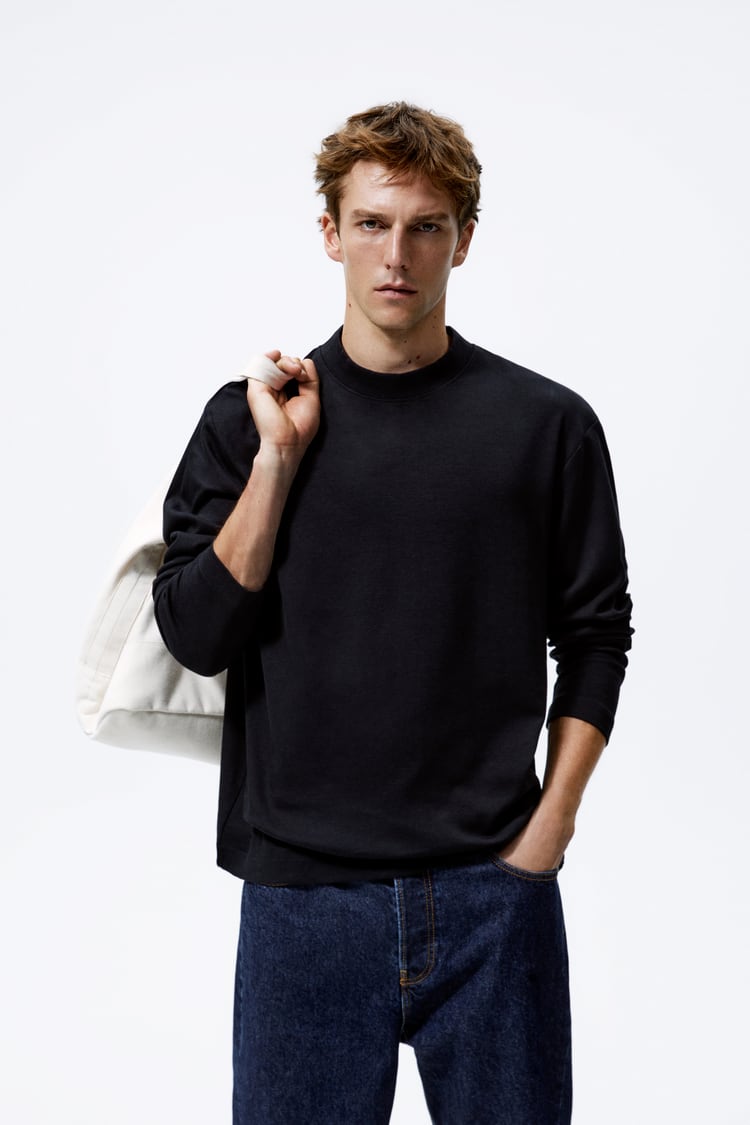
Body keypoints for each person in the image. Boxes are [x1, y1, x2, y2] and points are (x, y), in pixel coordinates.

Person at [153, 102, 633, 1125]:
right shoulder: (248, 425)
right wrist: (277, 464)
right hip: (303, 904)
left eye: (425, 227)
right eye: (372, 223)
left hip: (492, 894)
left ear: (464, 238)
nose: (397, 255)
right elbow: (195, 635)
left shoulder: (545, 425)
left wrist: (549, 830)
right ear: (331, 233)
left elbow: (595, 634)